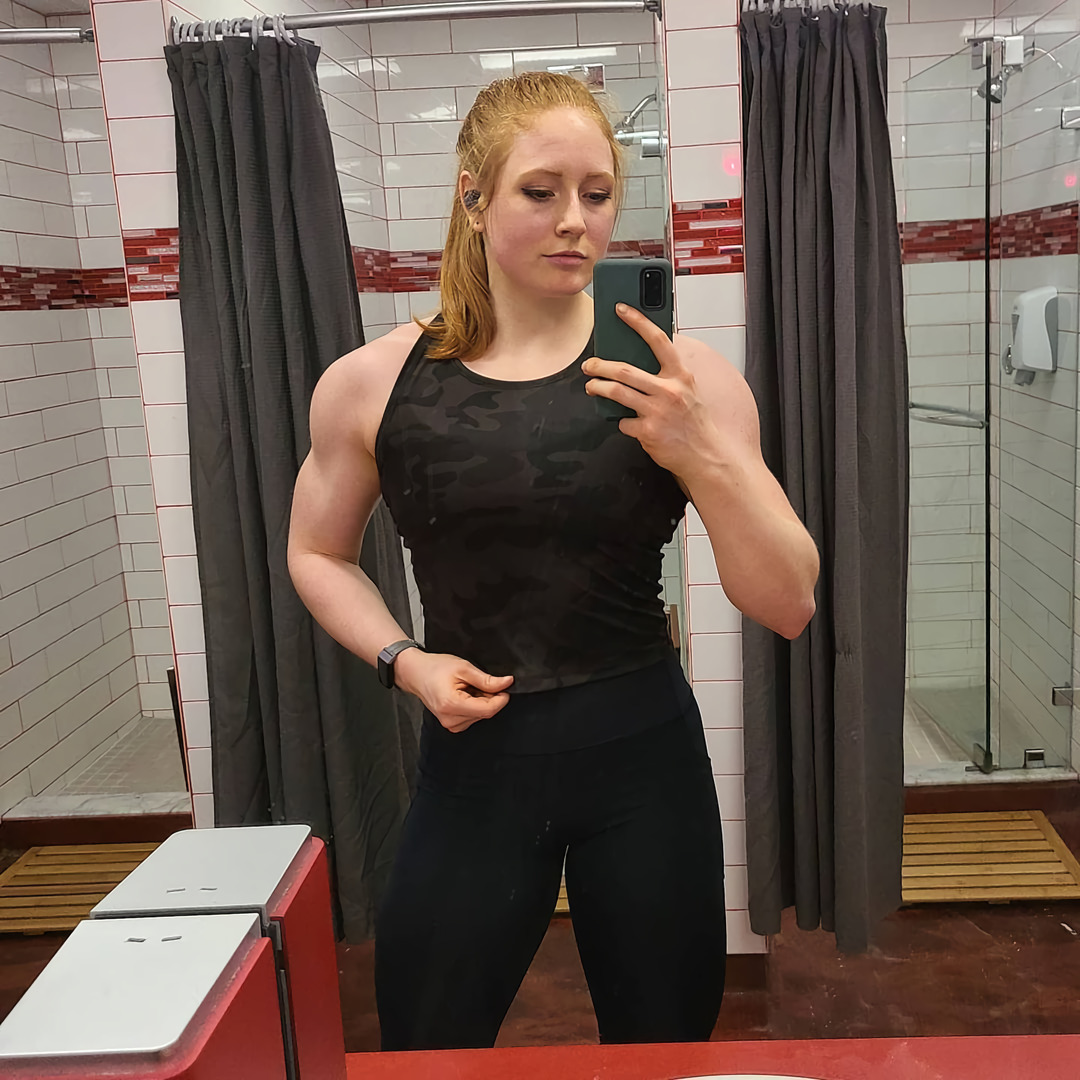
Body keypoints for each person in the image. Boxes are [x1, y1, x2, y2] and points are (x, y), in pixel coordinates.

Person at [287, 71, 819, 1051]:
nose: (576, 220)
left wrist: (702, 452)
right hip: (475, 768)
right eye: (540, 191)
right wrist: (405, 661)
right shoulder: (371, 385)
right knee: (425, 1043)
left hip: (643, 764)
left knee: (663, 1049)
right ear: (474, 198)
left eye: (597, 192)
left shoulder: (682, 380)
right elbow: (317, 553)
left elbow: (788, 601)